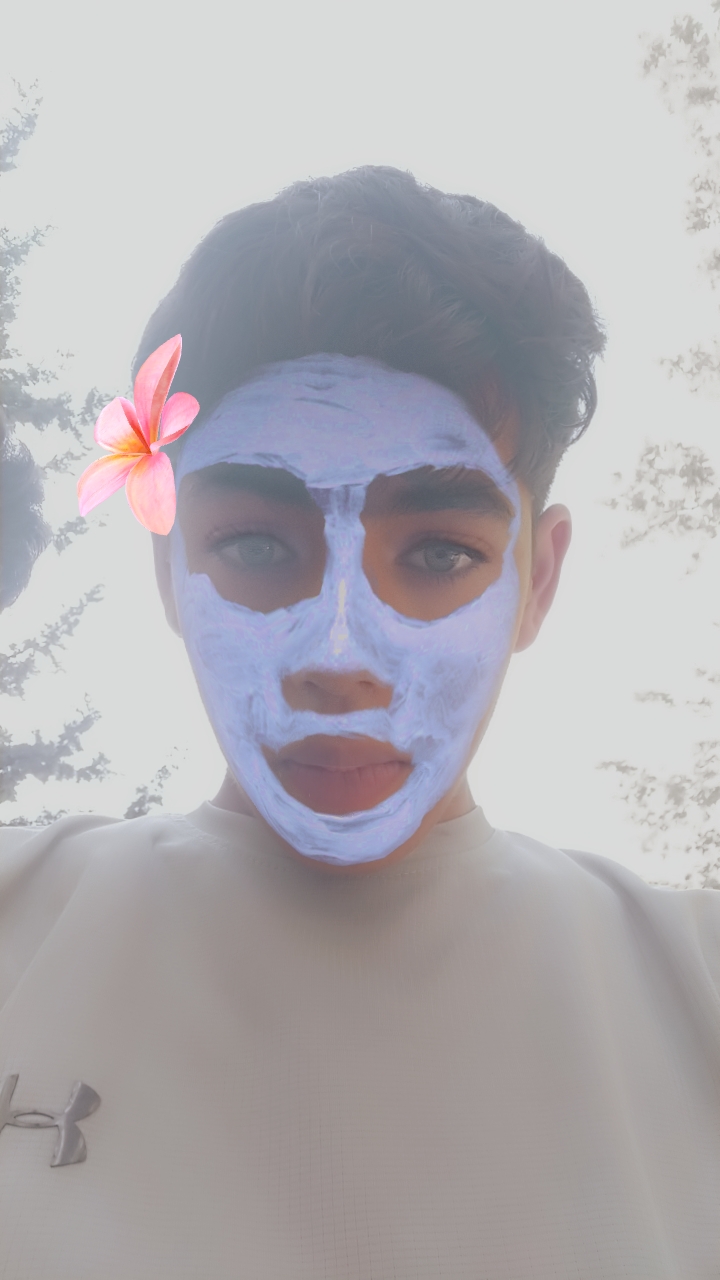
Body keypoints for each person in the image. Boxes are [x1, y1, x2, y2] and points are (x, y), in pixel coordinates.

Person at [0, 166, 718, 1279]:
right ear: (169, 571)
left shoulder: (696, 991)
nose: (338, 658)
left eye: (438, 553)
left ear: (537, 581)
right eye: (255, 544)